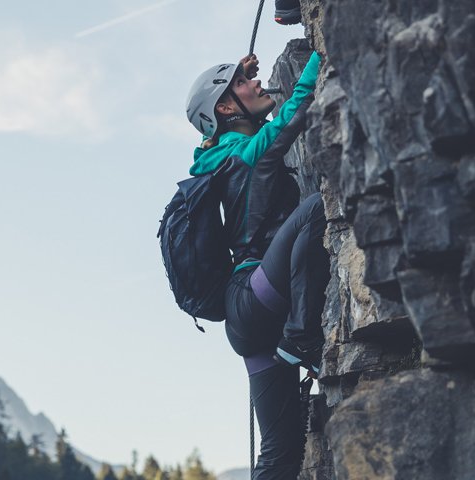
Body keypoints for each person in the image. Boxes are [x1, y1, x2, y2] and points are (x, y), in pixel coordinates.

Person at [184, 45, 324, 478]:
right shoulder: (248, 152)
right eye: (245, 83)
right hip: (257, 296)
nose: (258, 82)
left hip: (246, 318)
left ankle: (293, 341)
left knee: (280, 453)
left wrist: (234, 84)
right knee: (321, 206)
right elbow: (293, 111)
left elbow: (229, 129)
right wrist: (322, 51)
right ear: (227, 106)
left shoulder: (220, 156)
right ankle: (300, 338)